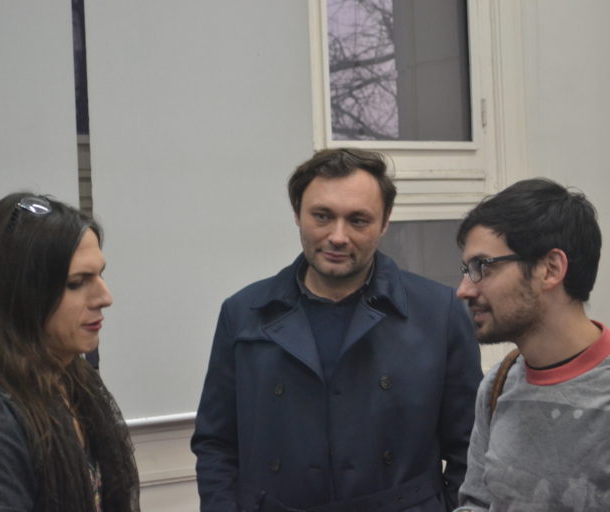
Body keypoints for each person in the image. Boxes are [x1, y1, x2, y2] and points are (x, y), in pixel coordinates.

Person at [191, 148, 482, 512]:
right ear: (297, 213)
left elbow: (470, 448)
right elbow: (216, 443)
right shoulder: (244, 313)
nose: (338, 236)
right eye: (322, 216)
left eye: (358, 220)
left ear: (385, 222)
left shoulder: (440, 312)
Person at [0, 193, 139, 512]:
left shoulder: (74, 382)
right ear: (20, 296)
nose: (104, 297)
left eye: (100, 275)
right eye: (77, 282)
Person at [454, 178, 608, 511]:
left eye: (482, 267)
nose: (463, 290)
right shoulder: (498, 384)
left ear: (550, 269)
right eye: (466, 269)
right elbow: (478, 502)